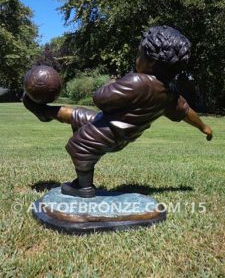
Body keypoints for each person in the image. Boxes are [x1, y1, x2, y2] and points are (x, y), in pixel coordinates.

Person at [23, 25, 213, 198]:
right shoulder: (170, 94)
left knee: (80, 146)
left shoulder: (136, 81)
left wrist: (114, 81)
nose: (136, 58)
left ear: (151, 62)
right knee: (77, 115)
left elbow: (101, 98)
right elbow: (186, 111)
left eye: (139, 54)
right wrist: (204, 127)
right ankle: (44, 112)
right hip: (116, 129)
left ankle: (84, 188)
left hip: (109, 132)